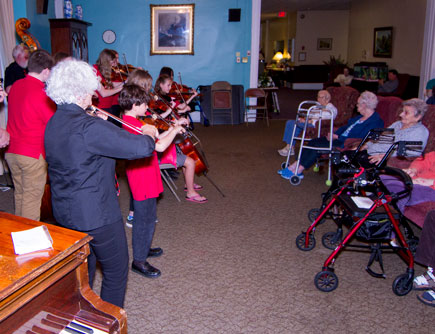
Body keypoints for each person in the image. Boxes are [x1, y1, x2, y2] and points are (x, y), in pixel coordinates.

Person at [44, 58, 158, 308]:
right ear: (80, 91)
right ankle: (108, 324)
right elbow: (139, 147)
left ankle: (84, 316)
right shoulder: (88, 125)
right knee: (116, 273)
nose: (93, 95)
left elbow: (90, 145)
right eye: (90, 90)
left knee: (85, 269)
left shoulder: (54, 122)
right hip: (97, 214)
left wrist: (102, 123)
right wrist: (149, 132)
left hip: (64, 210)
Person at [119, 84, 186, 278]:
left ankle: (144, 247)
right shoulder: (133, 125)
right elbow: (159, 148)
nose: (147, 106)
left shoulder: (135, 121)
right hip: (142, 175)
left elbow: (157, 141)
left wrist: (172, 129)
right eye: (144, 104)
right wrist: (173, 132)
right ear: (134, 104)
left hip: (147, 171)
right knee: (144, 219)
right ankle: (139, 261)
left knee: (149, 215)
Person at [278, 91, 384, 180]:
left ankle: (299, 169)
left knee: (317, 147)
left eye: (358, 104)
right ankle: (295, 166)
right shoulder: (359, 117)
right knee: (313, 142)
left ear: (364, 105)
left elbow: (361, 137)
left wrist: (338, 137)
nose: (356, 106)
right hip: (339, 138)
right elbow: (345, 127)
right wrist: (335, 134)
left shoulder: (375, 121)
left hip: (346, 143)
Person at [5, 50, 56, 221]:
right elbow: (52, 123)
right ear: (46, 71)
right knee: (32, 201)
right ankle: (28, 241)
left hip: (11, 150)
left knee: (20, 195)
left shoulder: (16, 86)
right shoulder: (42, 94)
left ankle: (18, 232)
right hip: (32, 153)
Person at [379, 152, 435, 306]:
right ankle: (432, 271)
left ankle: (389, 230)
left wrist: (431, 181)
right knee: (382, 179)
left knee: (399, 193)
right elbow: (424, 159)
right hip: (419, 181)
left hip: (430, 186)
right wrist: (414, 169)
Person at [352, 98, 429, 167]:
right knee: (344, 157)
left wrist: (385, 156)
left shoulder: (420, 131)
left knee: (349, 164)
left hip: (378, 158)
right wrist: (365, 146)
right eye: (402, 111)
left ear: (418, 117)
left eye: (406, 113)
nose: (400, 114)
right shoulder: (397, 124)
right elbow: (382, 139)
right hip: (369, 152)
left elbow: (412, 153)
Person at [278, 90, 337, 157]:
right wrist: (305, 119)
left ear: (327, 99)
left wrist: (310, 121)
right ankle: (289, 145)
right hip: (309, 122)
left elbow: (326, 118)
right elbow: (310, 115)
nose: (319, 99)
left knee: (294, 124)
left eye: (321, 97)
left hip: (316, 125)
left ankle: (290, 147)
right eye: (318, 97)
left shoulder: (331, 108)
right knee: (290, 122)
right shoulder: (317, 106)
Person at [93, 49, 124, 122]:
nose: (114, 64)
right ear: (106, 61)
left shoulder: (103, 71)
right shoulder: (95, 71)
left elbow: (110, 84)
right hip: (101, 108)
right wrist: (120, 88)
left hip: (108, 107)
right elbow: (103, 93)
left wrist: (125, 83)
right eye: (112, 62)